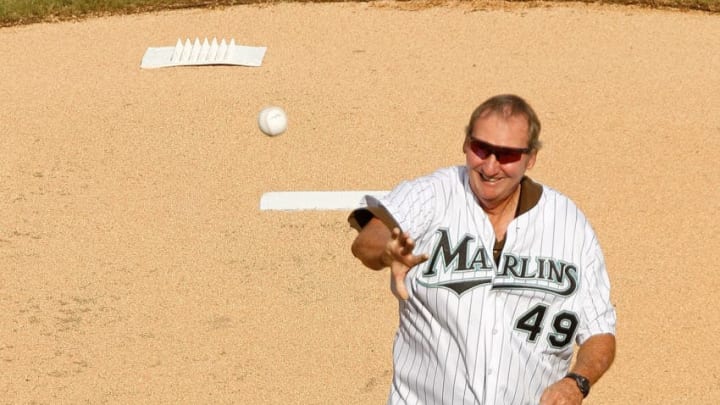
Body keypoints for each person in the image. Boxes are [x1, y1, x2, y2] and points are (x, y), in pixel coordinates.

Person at [348, 94, 616, 405]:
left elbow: (600, 332)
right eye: (481, 149)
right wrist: (387, 251)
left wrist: (576, 382)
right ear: (465, 143)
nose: (490, 167)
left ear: (531, 159)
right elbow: (367, 241)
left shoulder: (570, 225)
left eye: (506, 155)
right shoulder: (434, 195)